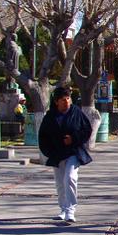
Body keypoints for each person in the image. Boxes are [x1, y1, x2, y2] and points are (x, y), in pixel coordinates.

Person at [38, 87, 92, 223]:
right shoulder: (50, 116)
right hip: (57, 154)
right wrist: (49, 152)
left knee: (70, 178)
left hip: (73, 152)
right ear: (56, 102)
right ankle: (63, 208)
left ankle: (71, 210)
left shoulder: (76, 112)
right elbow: (43, 137)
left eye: (68, 98)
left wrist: (73, 139)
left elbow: (86, 130)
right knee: (60, 183)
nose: (66, 102)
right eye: (63, 99)